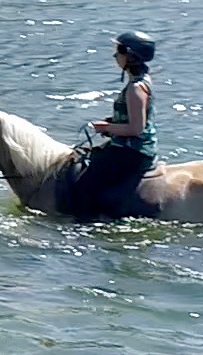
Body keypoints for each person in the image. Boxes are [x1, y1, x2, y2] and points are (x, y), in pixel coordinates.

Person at [65, 31, 159, 219]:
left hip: (132, 151)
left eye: (120, 51)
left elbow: (136, 128)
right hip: (132, 146)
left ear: (131, 56)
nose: (115, 55)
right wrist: (113, 123)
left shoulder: (135, 89)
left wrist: (105, 128)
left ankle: (86, 226)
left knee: (84, 186)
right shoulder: (142, 80)